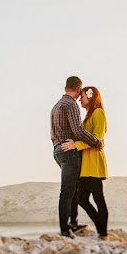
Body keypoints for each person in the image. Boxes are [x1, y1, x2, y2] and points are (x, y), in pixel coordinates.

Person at [50, 76, 102, 238]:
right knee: (68, 191)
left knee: (73, 189)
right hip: (69, 151)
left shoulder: (56, 106)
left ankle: (72, 223)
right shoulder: (70, 104)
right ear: (79, 89)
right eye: (81, 92)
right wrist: (96, 142)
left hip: (58, 150)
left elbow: (52, 134)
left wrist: (58, 148)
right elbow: (78, 131)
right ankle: (65, 229)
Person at [61, 86, 108, 239]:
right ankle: (101, 229)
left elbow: (96, 138)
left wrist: (77, 145)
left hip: (93, 163)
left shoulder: (98, 113)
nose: (80, 99)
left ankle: (103, 233)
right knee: (82, 199)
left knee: (98, 198)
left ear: (91, 97)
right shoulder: (88, 115)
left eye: (83, 97)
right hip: (85, 164)